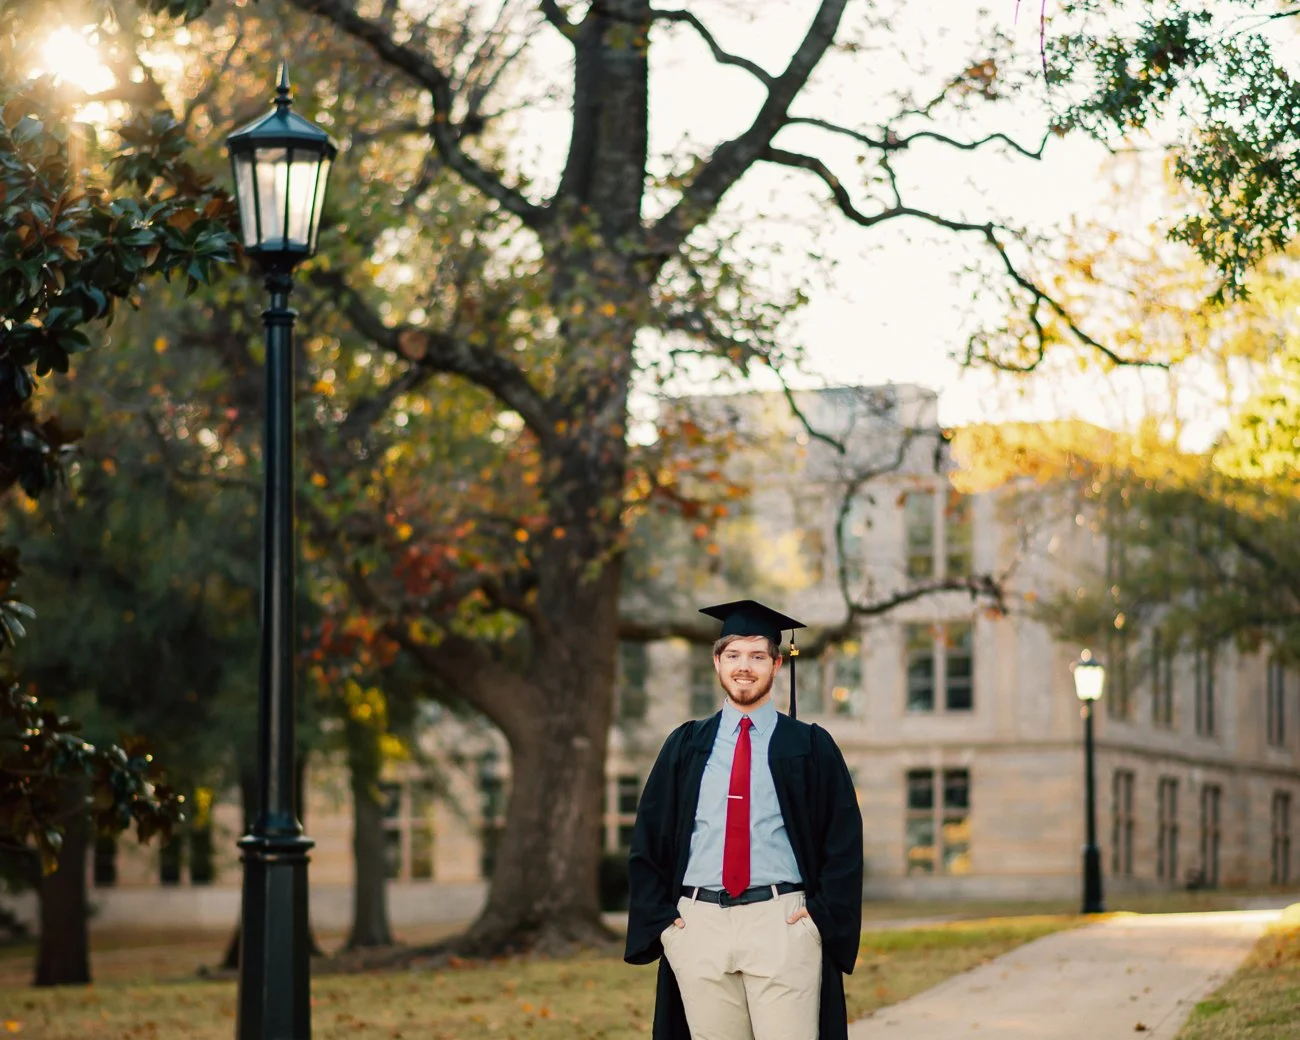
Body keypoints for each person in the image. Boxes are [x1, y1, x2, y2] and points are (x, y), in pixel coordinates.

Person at [625, 599, 864, 1040]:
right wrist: (665, 924)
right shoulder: (686, 745)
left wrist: (819, 919)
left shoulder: (810, 746)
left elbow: (843, 843)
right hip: (699, 927)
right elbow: (649, 839)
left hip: (782, 925)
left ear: (776, 663)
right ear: (717, 662)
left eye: (757, 656)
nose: (744, 667)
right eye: (733, 655)